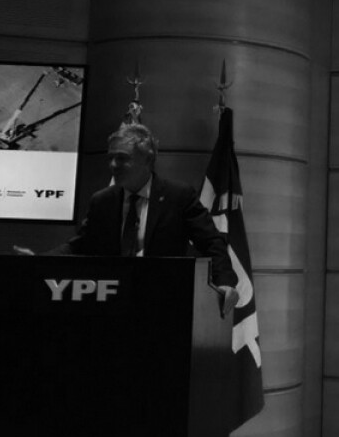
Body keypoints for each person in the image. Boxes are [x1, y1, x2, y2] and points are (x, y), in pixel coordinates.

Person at [15, 123, 239, 315]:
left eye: (122, 158)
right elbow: (79, 246)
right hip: (111, 304)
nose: (113, 165)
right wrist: (39, 262)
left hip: (163, 303)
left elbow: (212, 243)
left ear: (148, 159)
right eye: (110, 158)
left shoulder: (178, 196)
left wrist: (224, 282)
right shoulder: (102, 201)